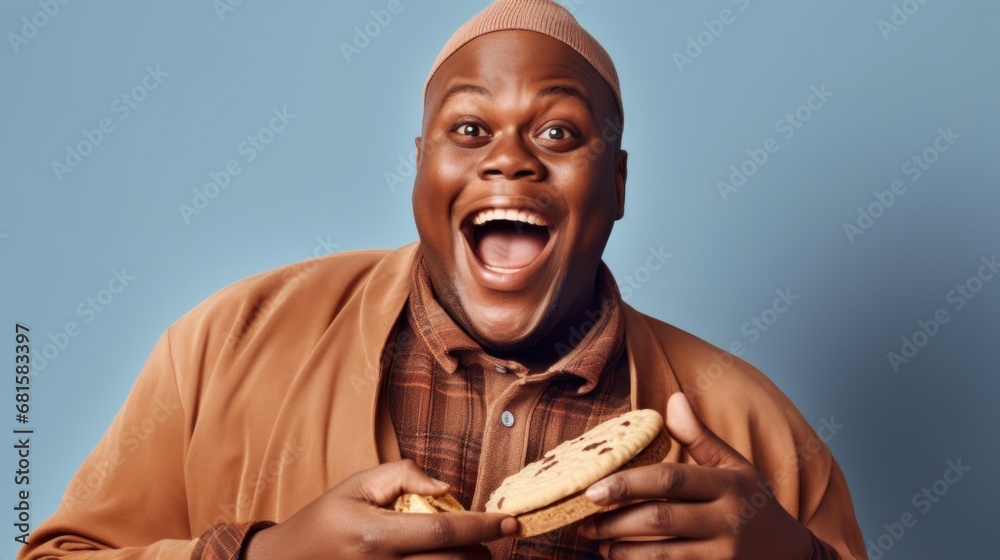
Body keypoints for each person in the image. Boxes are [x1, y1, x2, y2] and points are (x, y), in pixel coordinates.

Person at [19, 1, 867, 558]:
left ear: (616, 184)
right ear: (420, 171)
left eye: (560, 135)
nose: (508, 159)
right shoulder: (229, 343)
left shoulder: (754, 432)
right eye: (469, 128)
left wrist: (795, 559)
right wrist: (260, 554)